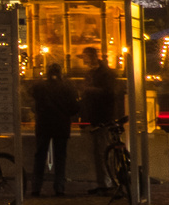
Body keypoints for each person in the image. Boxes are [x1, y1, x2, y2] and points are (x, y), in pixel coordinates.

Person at [29, 64, 80, 197]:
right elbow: (75, 107)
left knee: (40, 156)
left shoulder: (39, 86)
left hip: (43, 124)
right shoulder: (68, 87)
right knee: (60, 157)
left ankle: (36, 187)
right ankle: (59, 187)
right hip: (61, 125)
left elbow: (33, 102)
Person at [79, 50, 120, 195]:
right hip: (96, 117)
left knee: (102, 150)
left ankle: (107, 182)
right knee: (99, 151)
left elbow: (109, 93)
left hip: (102, 118)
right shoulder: (95, 73)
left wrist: (89, 90)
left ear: (92, 57)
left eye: (85, 56)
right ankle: (103, 182)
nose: (83, 59)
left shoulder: (104, 74)